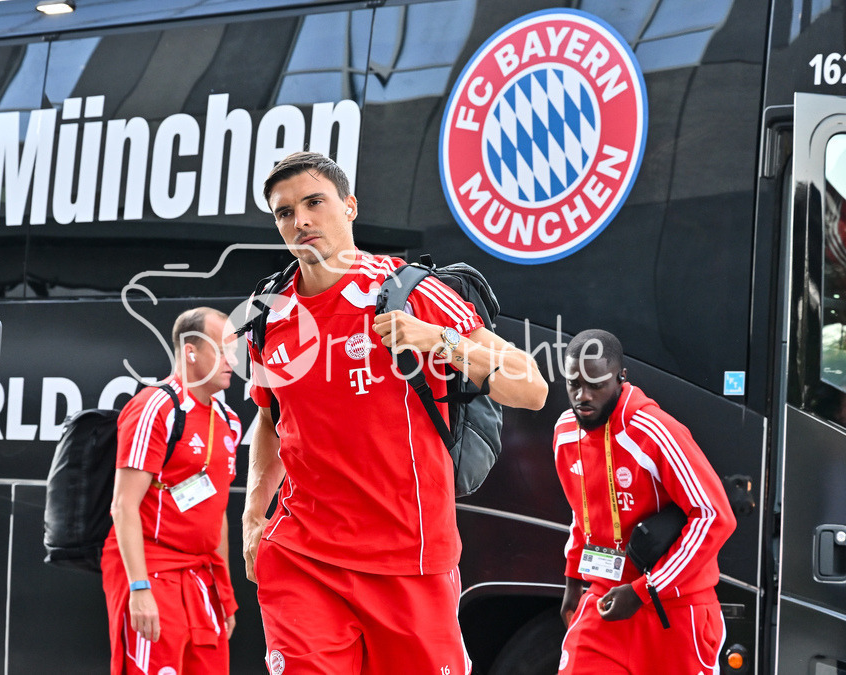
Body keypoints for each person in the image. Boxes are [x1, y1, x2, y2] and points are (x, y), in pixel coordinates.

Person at [241, 151, 549, 674]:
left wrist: (442, 341)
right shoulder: (269, 314)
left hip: (410, 558)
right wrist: (253, 518)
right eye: (285, 212)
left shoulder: (411, 291)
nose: (301, 221)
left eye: (314, 202)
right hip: (302, 557)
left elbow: (532, 387)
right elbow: (272, 420)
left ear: (350, 206)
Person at [553, 329, 736, 675]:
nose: (582, 396)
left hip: (675, 612)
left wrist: (644, 591)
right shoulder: (564, 433)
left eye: (596, 385)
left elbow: (714, 516)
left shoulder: (654, 431)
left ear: (621, 378)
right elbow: (582, 513)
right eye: (573, 384)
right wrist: (573, 581)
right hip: (605, 601)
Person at [101, 307, 241, 675]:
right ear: (191, 351)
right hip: (153, 570)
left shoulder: (229, 421)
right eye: (222, 350)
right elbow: (123, 506)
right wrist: (139, 588)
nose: (232, 361)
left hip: (202, 577)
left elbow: (217, 514)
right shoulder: (155, 406)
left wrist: (224, 593)